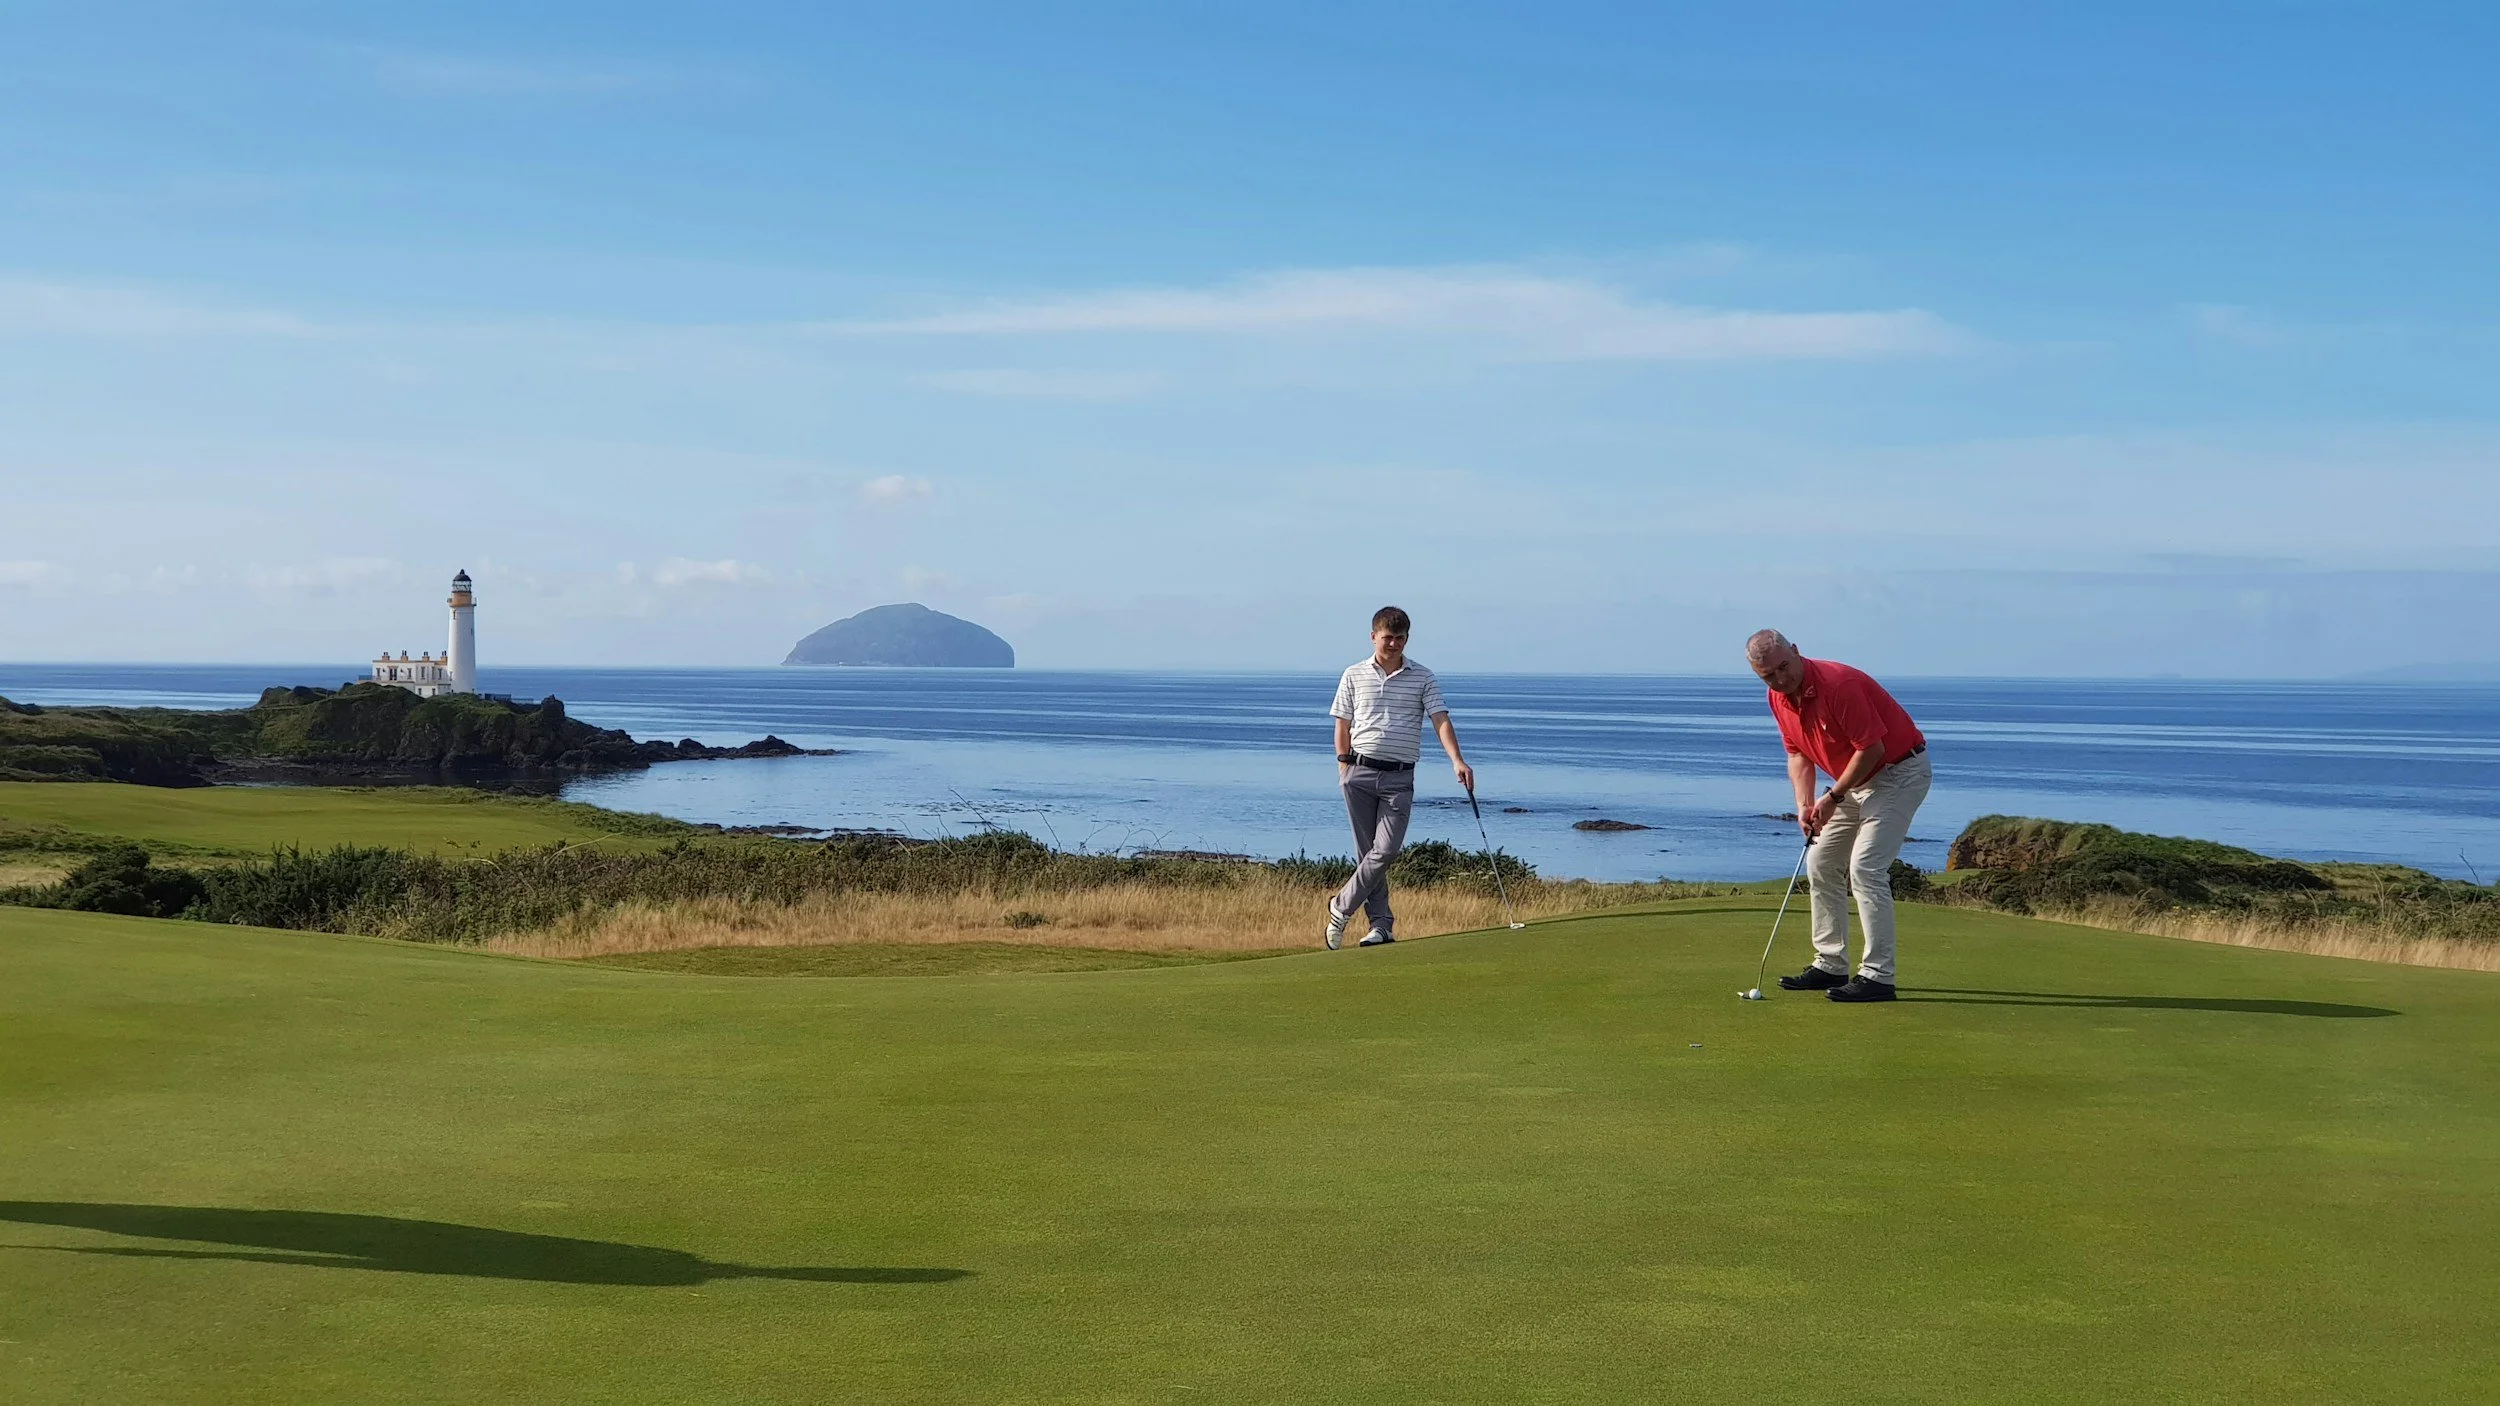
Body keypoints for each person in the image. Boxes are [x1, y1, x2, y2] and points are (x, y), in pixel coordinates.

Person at [1746, 629, 1932, 1002]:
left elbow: (1872, 749)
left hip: (1897, 772)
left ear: (1795, 651)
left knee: (1866, 867)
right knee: (1821, 861)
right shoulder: (1777, 698)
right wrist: (1804, 804)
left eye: (1783, 667)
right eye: (1768, 676)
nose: (1780, 679)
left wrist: (1832, 797)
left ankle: (1878, 976)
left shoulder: (1838, 684)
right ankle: (1830, 963)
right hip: (1853, 780)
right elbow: (1797, 753)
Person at [1326, 606, 1475, 949]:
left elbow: (1440, 719)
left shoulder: (1423, 676)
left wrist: (1457, 761)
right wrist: (1343, 767)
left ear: (1407, 639)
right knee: (1367, 854)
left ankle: (1341, 907)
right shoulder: (1353, 674)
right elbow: (1342, 724)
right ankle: (1381, 926)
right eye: (1387, 637)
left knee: (1385, 851)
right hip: (1358, 773)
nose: (1393, 644)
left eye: (1400, 638)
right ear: (1373, 637)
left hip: (1399, 777)